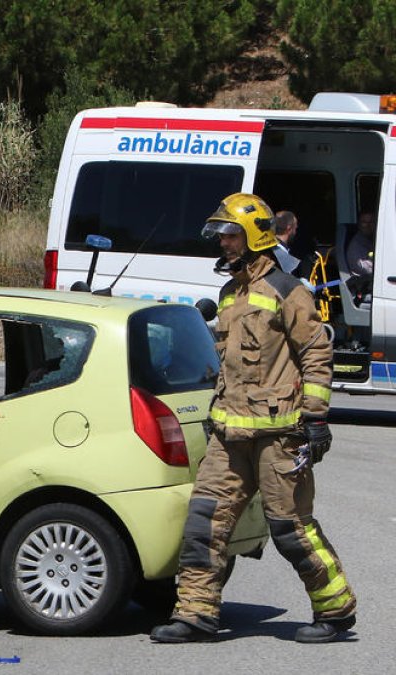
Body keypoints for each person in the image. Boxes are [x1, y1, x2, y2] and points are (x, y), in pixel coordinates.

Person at [150, 194, 357, 644]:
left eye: (230, 233)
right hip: (229, 434)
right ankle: (196, 614)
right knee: (205, 521)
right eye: (221, 234)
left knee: (290, 529)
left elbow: (317, 352)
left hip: (280, 435)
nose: (222, 241)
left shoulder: (288, 291)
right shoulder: (229, 294)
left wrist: (316, 418)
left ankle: (335, 609)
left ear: (254, 236)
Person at [345, 211, 376, 277]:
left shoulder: (372, 240)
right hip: (363, 283)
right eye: (364, 222)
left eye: (371, 222)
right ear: (359, 224)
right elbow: (364, 268)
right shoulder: (355, 246)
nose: (368, 225)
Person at [272, 210, 301, 275]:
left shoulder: (269, 247)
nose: (295, 232)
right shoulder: (280, 253)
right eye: (295, 228)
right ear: (289, 228)